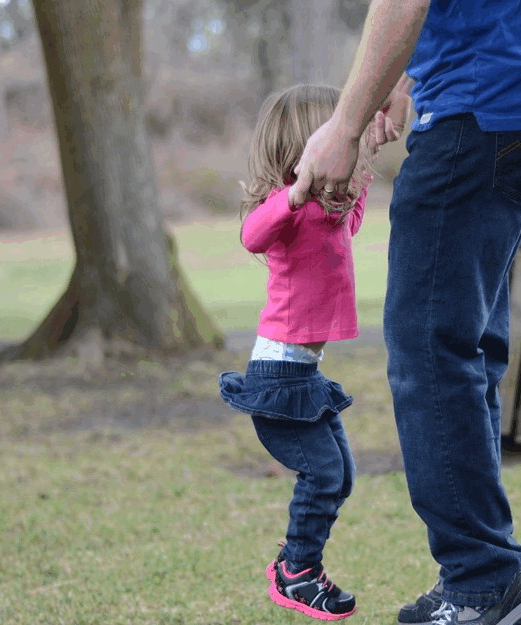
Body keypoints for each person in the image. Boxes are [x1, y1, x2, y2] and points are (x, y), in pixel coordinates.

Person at [288, 2, 521, 625]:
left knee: (429, 349)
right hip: (519, 90)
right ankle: (487, 576)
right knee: (463, 345)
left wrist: (345, 125)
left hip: (477, 105)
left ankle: (483, 581)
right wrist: (399, 78)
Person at [218, 83, 381, 621]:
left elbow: (350, 219)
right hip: (277, 375)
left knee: (344, 477)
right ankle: (298, 573)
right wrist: (292, 195)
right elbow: (250, 235)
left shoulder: (327, 213)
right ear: (306, 145)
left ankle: (294, 564)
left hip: (304, 374)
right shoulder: (284, 212)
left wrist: (368, 157)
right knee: (325, 476)